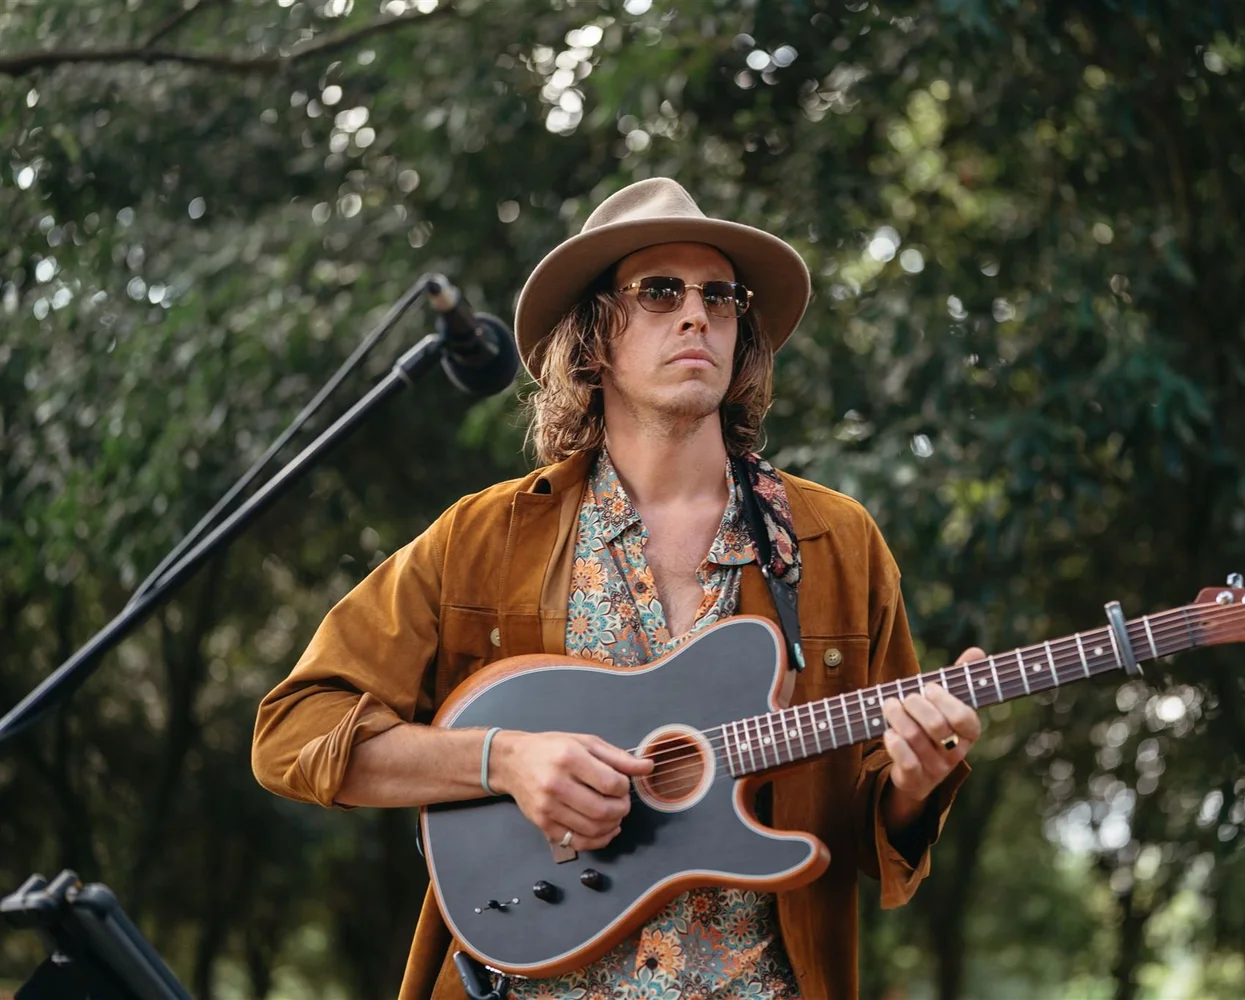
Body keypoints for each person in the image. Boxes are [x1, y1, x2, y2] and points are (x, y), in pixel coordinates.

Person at [251, 178, 983, 1000]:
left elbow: (866, 828)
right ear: (592, 336)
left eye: (723, 295)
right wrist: (505, 759)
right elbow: (293, 733)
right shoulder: (486, 538)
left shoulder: (835, 543)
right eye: (660, 291)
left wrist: (916, 785)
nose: (698, 314)